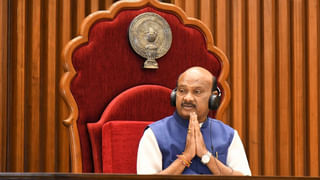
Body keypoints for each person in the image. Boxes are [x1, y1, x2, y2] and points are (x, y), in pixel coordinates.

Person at [136, 66, 251, 175]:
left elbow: (243, 178)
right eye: (182, 90)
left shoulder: (229, 135)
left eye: (197, 92)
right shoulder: (154, 134)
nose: (187, 98)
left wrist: (206, 156)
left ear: (213, 97)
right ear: (174, 95)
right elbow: (147, 179)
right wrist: (186, 157)